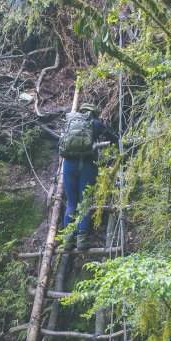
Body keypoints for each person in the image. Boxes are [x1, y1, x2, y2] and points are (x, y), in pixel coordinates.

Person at [59, 103, 119, 251]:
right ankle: (82, 239)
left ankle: (67, 240)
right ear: (94, 113)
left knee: (71, 203)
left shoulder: (69, 123)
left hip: (69, 166)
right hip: (87, 165)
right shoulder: (96, 123)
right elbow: (113, 138)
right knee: (85, 202)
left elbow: (59, 147)